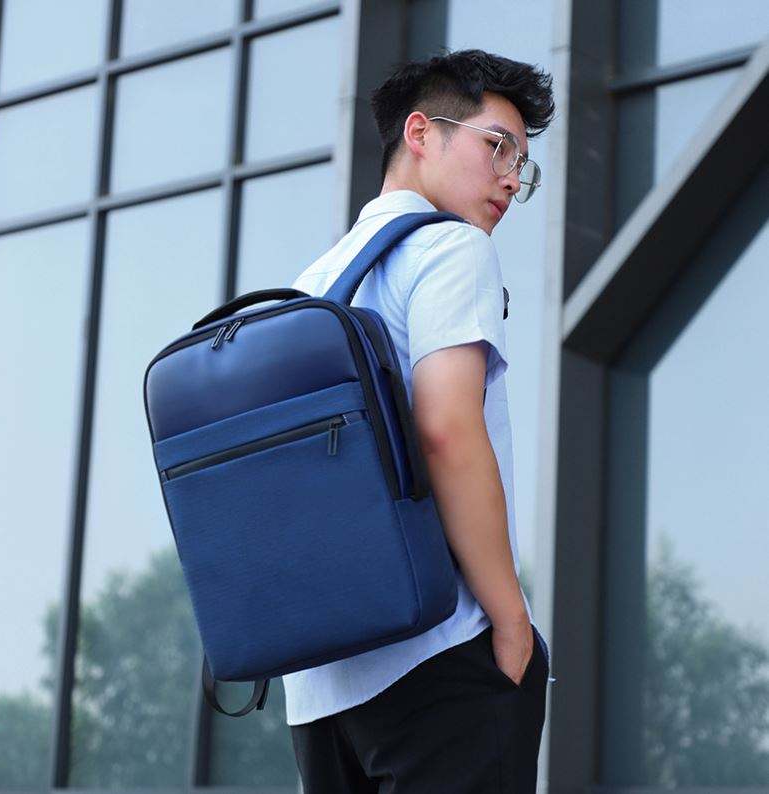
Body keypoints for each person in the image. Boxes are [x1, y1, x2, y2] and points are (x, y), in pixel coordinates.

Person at [283, 47, 556, 793]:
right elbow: (446, 429)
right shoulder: (451, 248)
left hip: (320, 687)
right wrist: (510, 621)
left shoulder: (310, 287)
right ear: (420, 133)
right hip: (439, 652)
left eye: (522, 165)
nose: (511, 178)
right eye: (497, 146)